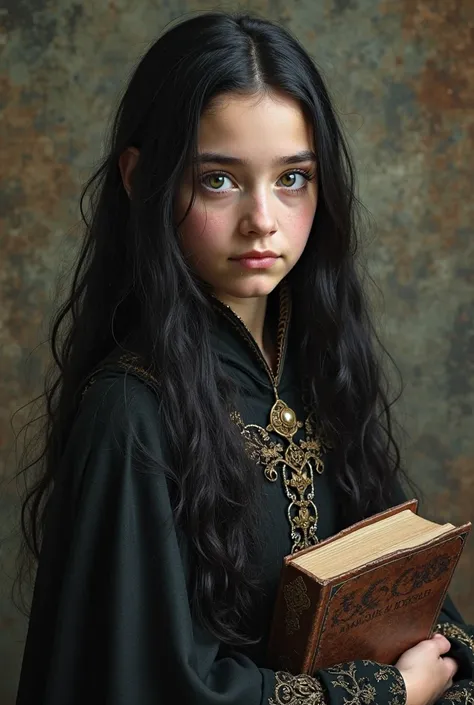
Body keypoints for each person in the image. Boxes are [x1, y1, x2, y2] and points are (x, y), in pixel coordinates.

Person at [16, 12, 474, 705]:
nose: (263, 217)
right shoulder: (130, 413)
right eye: (220, 181)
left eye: (292, 177)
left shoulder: (319, 370)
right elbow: (154, 684)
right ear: (143, 180)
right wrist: (391, 692)